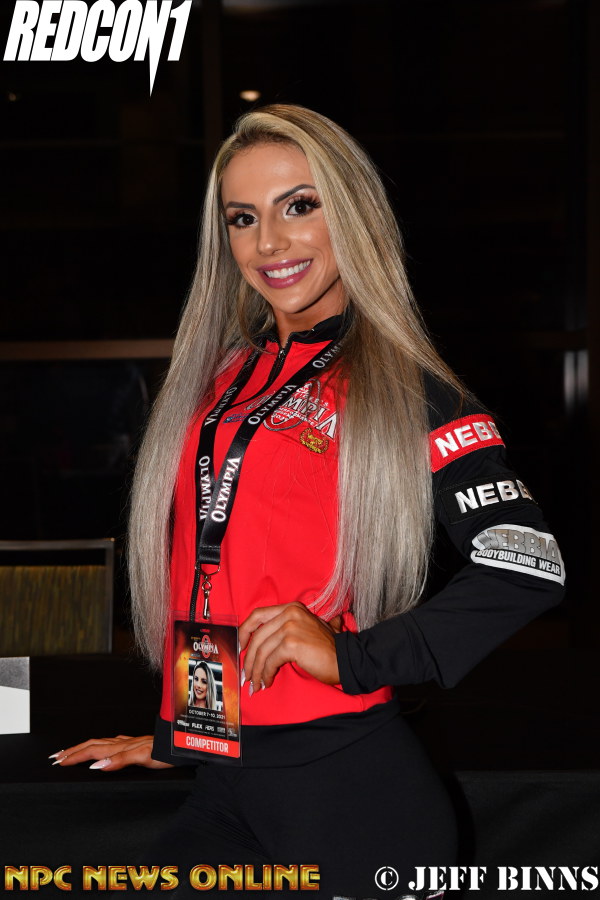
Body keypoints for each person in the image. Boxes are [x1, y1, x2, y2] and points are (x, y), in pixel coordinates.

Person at [52, 105, 565, 898]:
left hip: (353, 795)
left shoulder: (407, 388)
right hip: (228, 785)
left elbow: (526, 566)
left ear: (350, 213)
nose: (269, 243)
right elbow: (216, 568)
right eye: (243, 218)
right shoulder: (222, 379)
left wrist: (355, 657)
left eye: (299, 206)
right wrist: (188, 731)